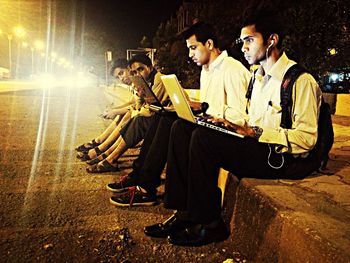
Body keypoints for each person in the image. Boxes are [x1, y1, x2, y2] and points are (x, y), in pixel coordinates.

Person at [144, 8, 322, 247]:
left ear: (272, 40)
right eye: (242, 41)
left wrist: (254, 132)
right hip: (257, 146)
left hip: (280, 158)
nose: (244, 47)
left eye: (250, 40)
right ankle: (184, 211)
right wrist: (228, 124)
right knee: (181, 128)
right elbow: (250, 121)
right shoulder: (258, 78)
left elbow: (307, 139)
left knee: (203, 139)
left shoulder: (300, 81)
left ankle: (210, 223)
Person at [107, 21, 251, 207]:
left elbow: (240, 116)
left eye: (193, 48)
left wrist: (206, 109)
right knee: (162, 117)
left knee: (171, 124)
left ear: (208, 44)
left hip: (225, 131)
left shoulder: (232, 69)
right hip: (208, 121)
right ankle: (141, 178)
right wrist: (197, 106)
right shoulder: (206, 70)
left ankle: (148, 188)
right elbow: (211, 104)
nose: (190, 55)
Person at [86, 54, 170, 173]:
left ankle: (108, 155)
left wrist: (122, 109)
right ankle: (106, 152)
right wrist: (140, 97)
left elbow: (149, 109)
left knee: (136, 119)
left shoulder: (158, 80)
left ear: (150, 67)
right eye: (134, 72)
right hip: (160, 118)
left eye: (140, 69)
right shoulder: (145, 81)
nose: (138, 74)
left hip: (168, 121)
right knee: (133, 117)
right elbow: (139, 106)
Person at [75, 58, 139, 155]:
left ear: (129, 68)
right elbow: (133, 101)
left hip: (148, 119)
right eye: (118, 77)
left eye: (121, 73)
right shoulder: (134, 84)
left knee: (126, 114)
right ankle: (100, 142)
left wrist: (116, 111)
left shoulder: (141, 82)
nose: (121, 79)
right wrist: (114, 110)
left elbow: (138, 106)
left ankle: (104, 147)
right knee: (122, 113)